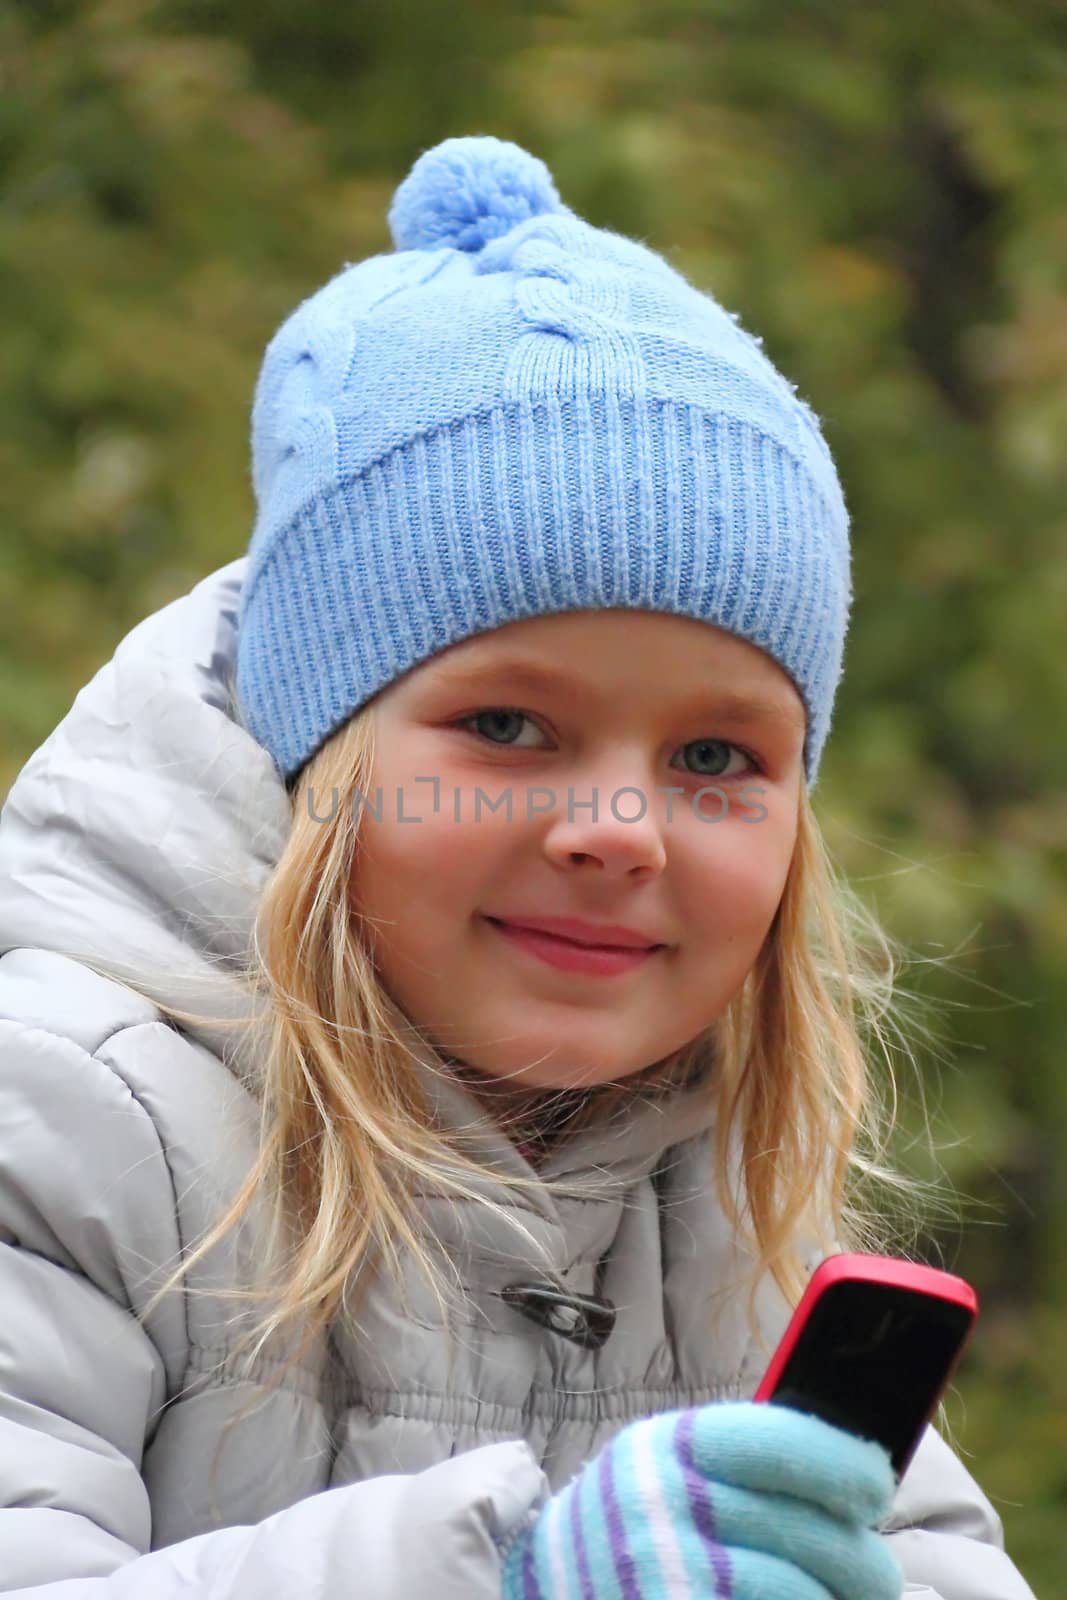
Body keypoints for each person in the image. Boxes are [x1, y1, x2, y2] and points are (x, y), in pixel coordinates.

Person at [0, 136, 1036, 1599]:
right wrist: (509, 1576)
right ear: (318, 753)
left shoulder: (731, 1210)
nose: (619, 827)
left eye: (717, 761)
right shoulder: (65, 1126)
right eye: (505, 725)